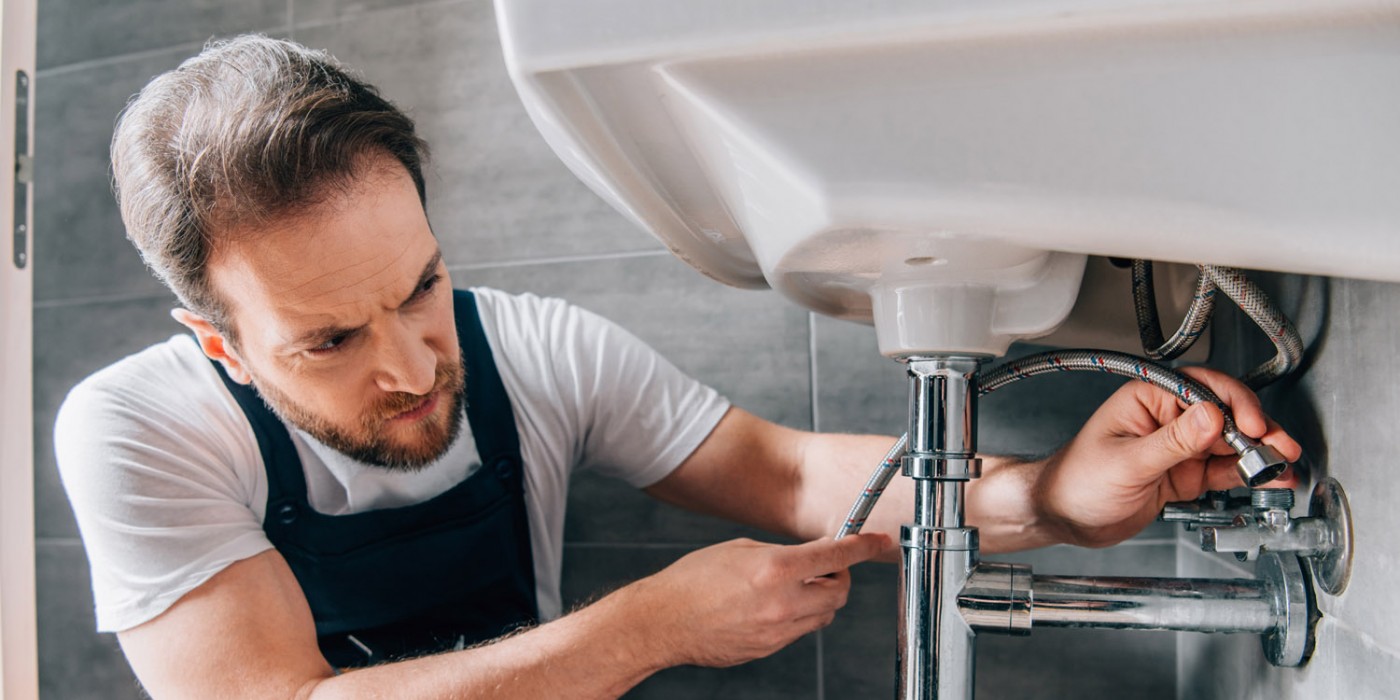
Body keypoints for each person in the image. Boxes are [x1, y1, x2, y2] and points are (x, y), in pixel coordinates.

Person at [54, 35, 1301, 699]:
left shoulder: (528, 349)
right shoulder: (137, 430)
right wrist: (644, 629)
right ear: (214, 341)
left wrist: (1046, 498)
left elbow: (792, 473)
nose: (410, 363)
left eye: (421, 285)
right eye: (328, 340)